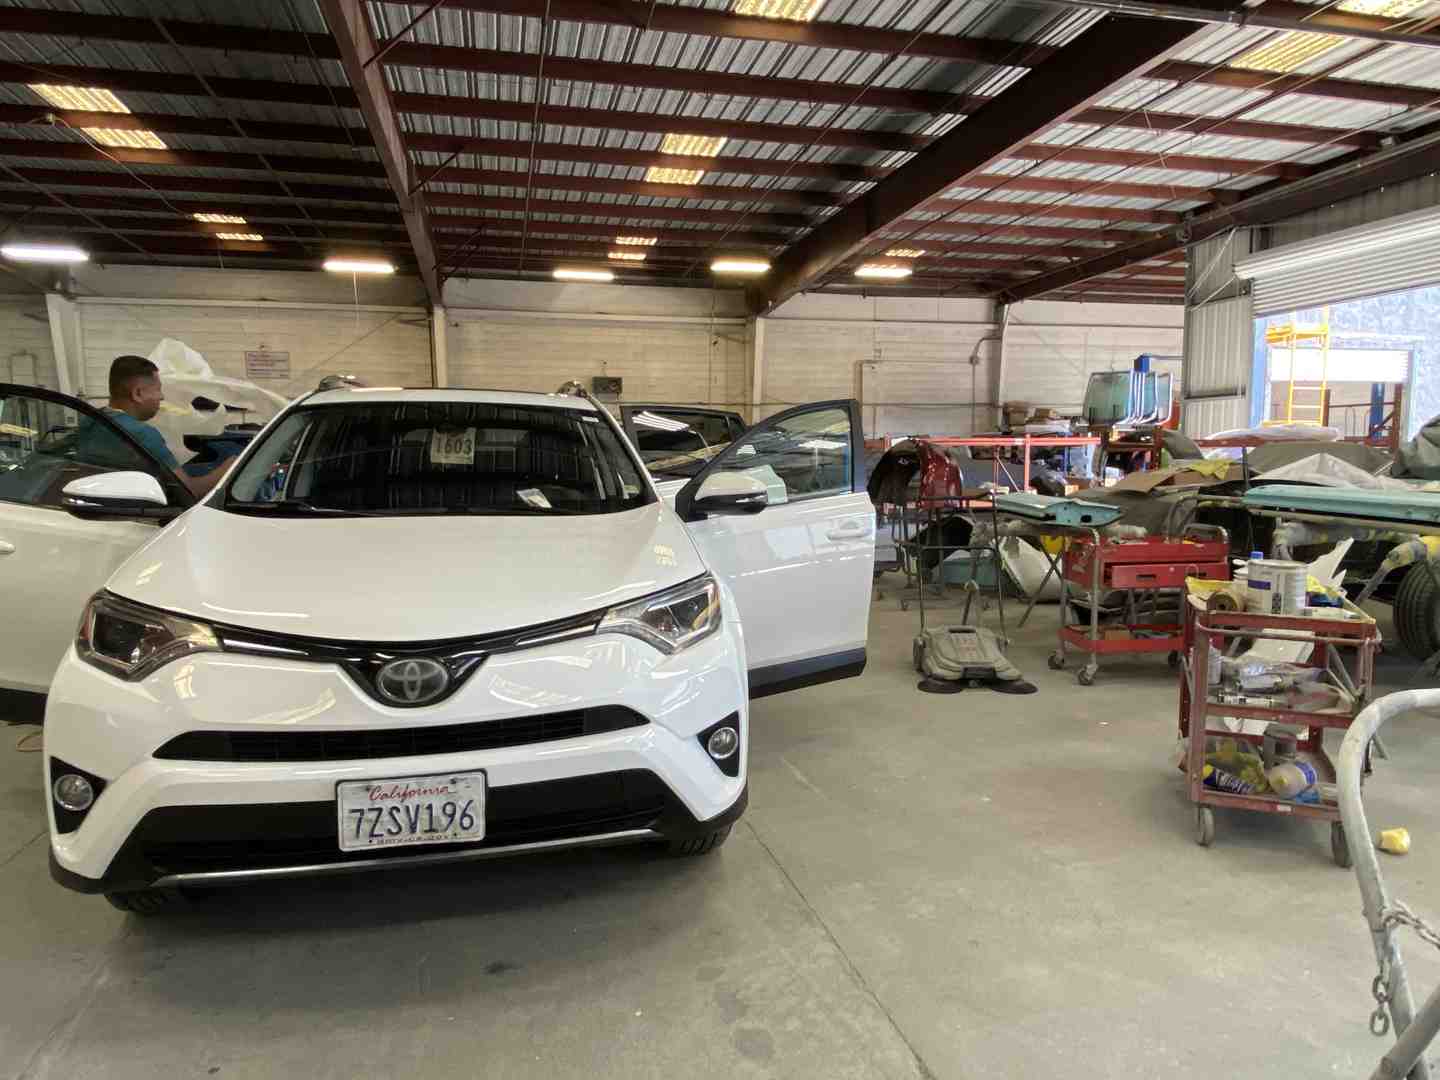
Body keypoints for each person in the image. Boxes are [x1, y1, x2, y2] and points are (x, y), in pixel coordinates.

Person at [103, 355, 232, 498]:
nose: (162, 397)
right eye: (158, 389)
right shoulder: (142, 434)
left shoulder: (91, 420)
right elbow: (189, 491)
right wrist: (228, 468)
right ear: (138, 393)